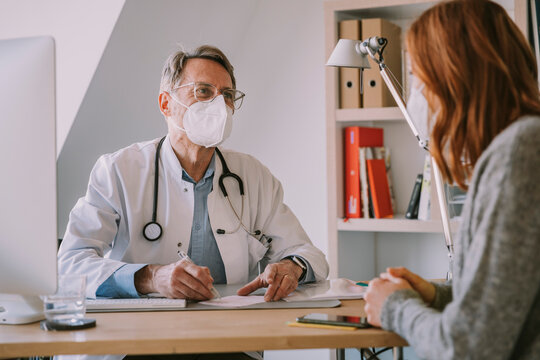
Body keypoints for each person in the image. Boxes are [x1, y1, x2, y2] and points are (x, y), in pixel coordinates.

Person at [57, 45, 328, 359]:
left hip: (229, 344)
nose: (219, 105)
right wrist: (150, 277)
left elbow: (308, 253)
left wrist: (291, 267)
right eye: (203, 91)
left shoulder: (252, 176)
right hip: (139, 343)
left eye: (227, 95)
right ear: (165, 103)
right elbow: (70, 266)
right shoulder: (118, 170)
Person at [363, 1, 540, 359]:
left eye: (416, 75)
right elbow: (504, 303)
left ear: (454, 73)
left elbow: (471, 346)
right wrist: (434, 294)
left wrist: (395, 307)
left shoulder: (520, 153)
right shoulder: (515, 147)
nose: (416, 91)